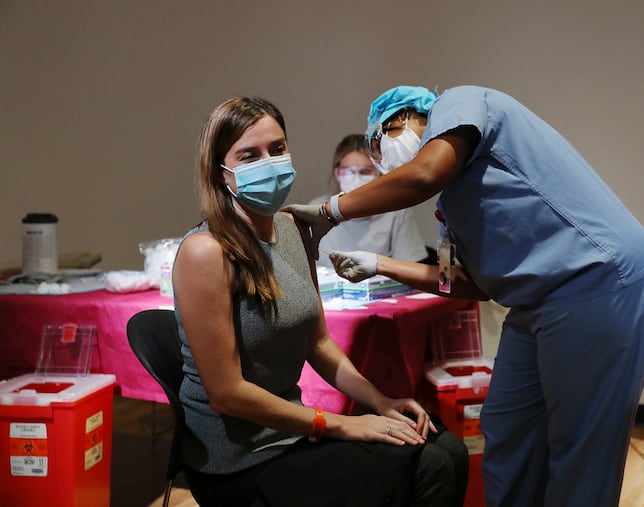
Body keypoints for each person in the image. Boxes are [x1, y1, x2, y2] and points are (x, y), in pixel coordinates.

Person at [286, 85, 644, 507]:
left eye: (382, 146)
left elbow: (422, 174)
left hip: (599, 281)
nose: (384, 164)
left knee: (580, 451)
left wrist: (331, 210)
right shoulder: (452, 206)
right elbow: (467, 284)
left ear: (407, 119)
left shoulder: (462, 102)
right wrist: (380, 265)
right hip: (535, 302)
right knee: (507, 431)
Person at [171, 96, 468, 507]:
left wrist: (379, 401)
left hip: (294, 433)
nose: (269, 162)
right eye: (248, 156)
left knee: (445, 446)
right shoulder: (206, 252)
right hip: (240, 460)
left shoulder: (293, 228)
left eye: (277, 149)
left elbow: (319, 343)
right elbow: (226, 393)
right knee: (427, 466)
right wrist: (341, 425)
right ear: (222, 173)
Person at [309, 133, 429, 269]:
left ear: (380, 172)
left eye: (365, 172)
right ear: (336, 174)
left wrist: (379, 267)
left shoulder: (396, 211)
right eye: (347, 172)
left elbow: (410, 268)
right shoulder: (316, 210)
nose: (355, 179)